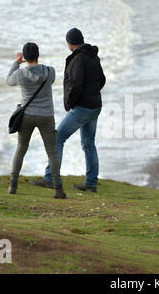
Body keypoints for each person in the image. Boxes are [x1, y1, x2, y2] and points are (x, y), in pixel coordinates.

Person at [30, 28, 106, 193]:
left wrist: (70, 103)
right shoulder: (94, 56)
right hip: (95, 106)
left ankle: (50, 178)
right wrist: (91, 94)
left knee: (57, 139)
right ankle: (91, 184)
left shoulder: (78, 59)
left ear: (69, 43)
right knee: (89, 144)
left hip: (83, 108)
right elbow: (102, 80)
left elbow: (75, 85)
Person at [6, 42, 66, 198]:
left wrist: (16, 63)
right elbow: (48, 81)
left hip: (26, 115)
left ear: (25, 57)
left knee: (21, 148)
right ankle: (58, 189)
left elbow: (9, 81)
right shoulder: (49, 71)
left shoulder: (20, 74)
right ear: (38, 55)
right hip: (46, 116)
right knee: (52, 151)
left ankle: (13, 185)